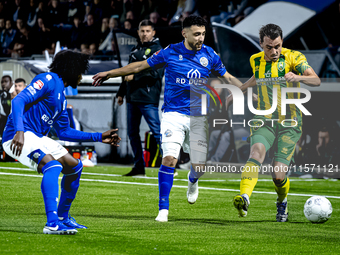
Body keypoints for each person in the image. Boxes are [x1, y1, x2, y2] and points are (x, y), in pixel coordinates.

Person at [93, 15, 243, 222]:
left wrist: (243, 91)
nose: (201, 38)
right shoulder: (170, 52)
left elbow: (227, 77)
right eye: (197, 34)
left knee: (199, 167)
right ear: (185, 33)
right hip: (173, 115)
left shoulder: (210, 55)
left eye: (203, 34)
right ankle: (163, 208)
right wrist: (111, 73)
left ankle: (192, 180)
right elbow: (139, 66)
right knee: (169, 159)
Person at [2, 50, 121, 235]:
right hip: (17, 136)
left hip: (37, 137)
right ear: (72, 70)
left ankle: (63, 218)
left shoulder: (62, 99)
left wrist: (99, 137)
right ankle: (51, 223)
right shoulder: (48, 80)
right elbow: (18, 100)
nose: (81, 76)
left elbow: (65, 132)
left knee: (75, 166)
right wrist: (19, 130)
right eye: (80, 71)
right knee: (53, 166)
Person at [232, 24, 321, 222]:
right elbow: (259, 75)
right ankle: (244, 196)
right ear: (261, 44)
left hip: (290, 122)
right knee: (256, 153)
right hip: (264, 118)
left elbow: (316, 80)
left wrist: (297, 76)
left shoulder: (294, 57)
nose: (274, 51)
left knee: (278, 175)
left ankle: (282, 202)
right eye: (269, 47)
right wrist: (243, 88)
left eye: (277, 46)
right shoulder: (255, 59)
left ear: (282, 42)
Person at [116, 20, 163, 176]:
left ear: (153, 32)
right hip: (132, 98)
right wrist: (121, 93)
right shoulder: (135, 50)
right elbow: (126, 72)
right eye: (142, 31)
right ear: (138, 32)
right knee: (132, 133)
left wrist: (134, 76)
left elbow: (156, 73)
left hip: (148, 98)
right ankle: (139, 167)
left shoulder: (159, 50)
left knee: (157, 132)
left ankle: (170, 165)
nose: (144, 34)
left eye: (147, 31)